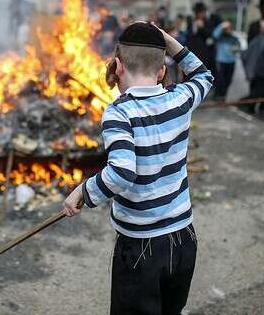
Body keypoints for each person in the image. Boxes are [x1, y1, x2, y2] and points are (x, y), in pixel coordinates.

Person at [64, 22, 213, 314]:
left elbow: (121, 173)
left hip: (141, 248)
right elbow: (204, 75)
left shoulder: (119, 112)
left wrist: (83, 190)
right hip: (184, 239)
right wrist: (167, 40)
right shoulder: (180, 99)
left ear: (118, 66)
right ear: (161, 71)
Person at [212, 21, 240, 100]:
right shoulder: (220, 37)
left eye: (229, 28)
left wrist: (233, 49)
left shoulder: (234, 38)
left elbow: (238, 48)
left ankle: (223, 95)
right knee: (220, 79)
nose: (228, 30)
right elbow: (214, 34)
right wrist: (221, 26)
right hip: (221, 61)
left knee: (228, 80)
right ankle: (217, 95)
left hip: (231, 61)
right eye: (226, 28)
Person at [186, 2, 215, 77]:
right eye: (201, 12)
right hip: (192, 51)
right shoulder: (191, 21)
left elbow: (210, 34)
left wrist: (202, 28)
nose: (203, 14)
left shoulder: (208, 22)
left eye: (204, 12)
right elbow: (189, 35)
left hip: (204, 52)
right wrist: (195, 26)